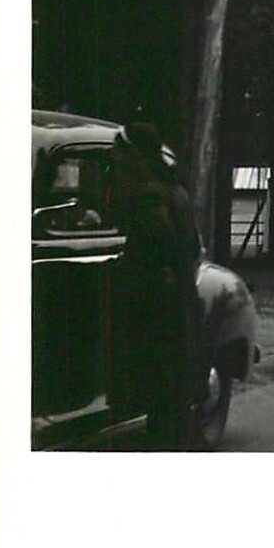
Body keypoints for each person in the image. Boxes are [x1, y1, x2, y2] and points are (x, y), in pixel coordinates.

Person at [111, 122, 201, 449]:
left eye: (121, 154)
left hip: (155, 308)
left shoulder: (148, 196)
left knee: (158, 393)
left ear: (135, 157)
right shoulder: (176, 191)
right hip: (176, 304)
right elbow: (191, 247)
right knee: (170, 398)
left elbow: (155, 246)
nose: (117, 160)